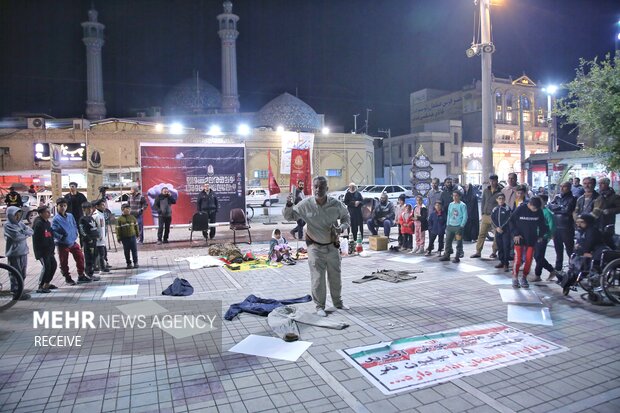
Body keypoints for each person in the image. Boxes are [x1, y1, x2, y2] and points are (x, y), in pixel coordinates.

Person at [283, 176, 350, 317]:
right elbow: (290, 216)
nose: (318, 189)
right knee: (318, 278)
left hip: (332, 246)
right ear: (313, 188)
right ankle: (320, 306)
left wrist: (342, 227)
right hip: (315, 247)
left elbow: (346, 217)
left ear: (327, 188)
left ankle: (338, 302)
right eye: (316, 187)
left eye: (321, 187)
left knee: (335, 276)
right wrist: (288, 205)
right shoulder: (306, 204)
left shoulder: (336, 204)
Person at [509, 197, 547, 289]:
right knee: (518, 260)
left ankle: (524, 277)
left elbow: (542, 224)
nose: (535, 211)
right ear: (529, 204)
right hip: (519, 239)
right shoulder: (521, 209)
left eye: (537, 209)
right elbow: (511, 221)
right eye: (533, 208)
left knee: (529, 259)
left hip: (531, 239)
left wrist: (541, 236)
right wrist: (515, 234)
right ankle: (515, 277)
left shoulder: (539, 211)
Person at [52, 198, 88, 285]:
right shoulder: (56, 219)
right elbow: (53, 231)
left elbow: (75, 225)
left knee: (80, 257)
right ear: (57, 207)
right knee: (64, 262)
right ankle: (67, 278)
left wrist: (75, 234)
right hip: (63, 244)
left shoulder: (70, 216)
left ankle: (81, 275)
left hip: (73, 241)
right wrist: (61, 237)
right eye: (61, 206)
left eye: (64, 206)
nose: (63, 208)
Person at [3, 206, 33, 299]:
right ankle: (15, 292)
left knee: (22, 273)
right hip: (14, 253)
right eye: (16, 215)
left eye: (19, 214)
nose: (18, 216)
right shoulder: (8, 225)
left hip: (23, 251)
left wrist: (23, 232)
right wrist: (25, 233)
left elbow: (31, 231)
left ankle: (20, 290)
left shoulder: (20, 224)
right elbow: (16, 237)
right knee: (15, 273)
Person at [547, 181, 576, 275]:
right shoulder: (557, 197)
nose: (562, 188)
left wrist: (558, 208)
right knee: (558, 249)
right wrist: (560, 207)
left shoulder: (573, 198)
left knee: (569, 249)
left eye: (565, 186)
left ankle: (573, 268)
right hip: (557, 226)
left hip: (566, 227)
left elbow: (567, 210)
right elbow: (550, 206)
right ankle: (558, 269)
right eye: (561, 186)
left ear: (569, 187)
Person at [472, 174, 502, 259]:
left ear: (497, 181)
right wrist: (482, 213)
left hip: (495, 216)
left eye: (494, 181)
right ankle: (478, 251)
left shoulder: (500, 191)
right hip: (486, 215)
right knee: (482, 234)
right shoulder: (486, 190)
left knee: (496, 235)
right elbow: (483, 202)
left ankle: (494, 252)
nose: (492, 182)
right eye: (491, 181)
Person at [32, 206, 57, 294]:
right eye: (47, 212)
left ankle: (47, 284)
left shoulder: (47, 223)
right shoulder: (38, 224)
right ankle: (40, 286)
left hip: (49, 250)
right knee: (47, 267)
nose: (49, 214)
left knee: (53, 265)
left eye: (49, 212)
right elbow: (38, 240)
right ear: (40, 214)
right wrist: (44, 249)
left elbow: (50, 235)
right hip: (42, 251)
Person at [533, 194, 558, 282]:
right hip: (535, 237)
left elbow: (552, 226)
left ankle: (538, 274)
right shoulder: (536, 211)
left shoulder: (547, 212)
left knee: (539, 256)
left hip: (543, 237)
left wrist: (547, 236)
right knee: (537, 256)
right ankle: (550, 270)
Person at [440, 191, 467, 263]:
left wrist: (462, 225)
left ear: (459, 197)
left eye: (456, 196)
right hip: (450, 226)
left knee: (459, 242)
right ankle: (447, 255)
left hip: (458, 226)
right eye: (453, 196)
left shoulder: (462, 205)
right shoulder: (451, 204)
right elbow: (449, 214)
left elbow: (465, 216)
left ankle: (457, 256)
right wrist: (447, 224)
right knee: (448, 241)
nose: (455, 197)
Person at [77, 202, 101, 282]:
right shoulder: (82, 219)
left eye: (91, 208)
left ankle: (91, 272)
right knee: (89, 258)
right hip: (88, 242)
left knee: (94, 256)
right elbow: (82, 231)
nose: (90, 210)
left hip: (94, 241)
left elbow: (95, 227)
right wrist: (88, 239)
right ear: (84, 209)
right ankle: (88, 274)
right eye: (88, 209)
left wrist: (97, 236)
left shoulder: (91, 218)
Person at [491, 193, 511, 272]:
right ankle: (502, 261)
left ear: (504, 199)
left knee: (506, 247)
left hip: (505, 231)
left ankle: (506, 263)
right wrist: (497, 228)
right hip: (498, 231)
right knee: (500, 246)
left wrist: (501, 227)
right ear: (497, 200)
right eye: (499, 198)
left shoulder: (507, 208)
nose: (501, 200)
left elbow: (508, 218)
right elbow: (492, 219)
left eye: (502, 198)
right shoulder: (495, 209)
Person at [116, 204, 139, 269]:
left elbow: (136, 226)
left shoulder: (133, 218)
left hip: (133, 237)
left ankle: (135, 262)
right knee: (126, 251)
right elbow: (118, 229)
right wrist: (118, 238)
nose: (128, 210)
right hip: (124, 238)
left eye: (129, 209)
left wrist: (137, 234)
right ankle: (128, 263)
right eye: (126, 209)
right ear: (122, 210)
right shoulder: (119, 219)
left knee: (134, 250)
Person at [92, 199, 110, 272]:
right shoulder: (96, 215)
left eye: (104, 204)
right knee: (100, 254)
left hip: (102, 238)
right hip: (98, 239)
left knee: (102, 254)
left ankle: (102, 267)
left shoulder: (102, 214)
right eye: (102, 205)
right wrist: (97, 236)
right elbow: (94, 227)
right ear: (97, 206)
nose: (104, 206)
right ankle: (101, 268)